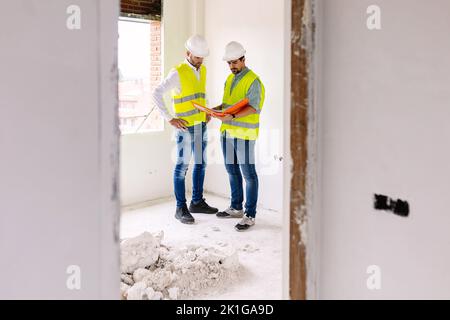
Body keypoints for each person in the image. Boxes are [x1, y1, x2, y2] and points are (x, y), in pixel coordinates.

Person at [152, 35, 218, 224]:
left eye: (202, 57)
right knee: (182, 167)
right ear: (187, 53)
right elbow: (156, 92)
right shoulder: (177, 72)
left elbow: (199, 95)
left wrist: (206, 111)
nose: (199, 60)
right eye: (196, 57)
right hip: (185, 128)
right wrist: (170, 118)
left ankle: (197, 202)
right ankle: (181, 207)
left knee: (201, 164)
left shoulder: (202, 70)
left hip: (201, 125)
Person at [212, 41, 265, 231]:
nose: (232, 66)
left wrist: (233, 115)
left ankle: (249, 215)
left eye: (235, 62)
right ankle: (236, 207)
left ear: (243, 59)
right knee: (231, 170)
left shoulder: (253, 80)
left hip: (244, 134)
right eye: (229, 63)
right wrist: (214, 110)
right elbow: (227, 104)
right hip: (227, 132)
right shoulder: (230, 79)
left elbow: (254, 107)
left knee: (248, 174)